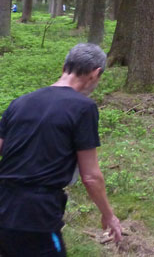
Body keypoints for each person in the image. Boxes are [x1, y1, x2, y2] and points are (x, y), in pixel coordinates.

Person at [0, 43, 122, 255]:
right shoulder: (83, 108)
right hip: (38, 215)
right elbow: (90, 177)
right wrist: (108, 215)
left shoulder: (20, 102)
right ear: (95, 74)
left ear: (65, 67)